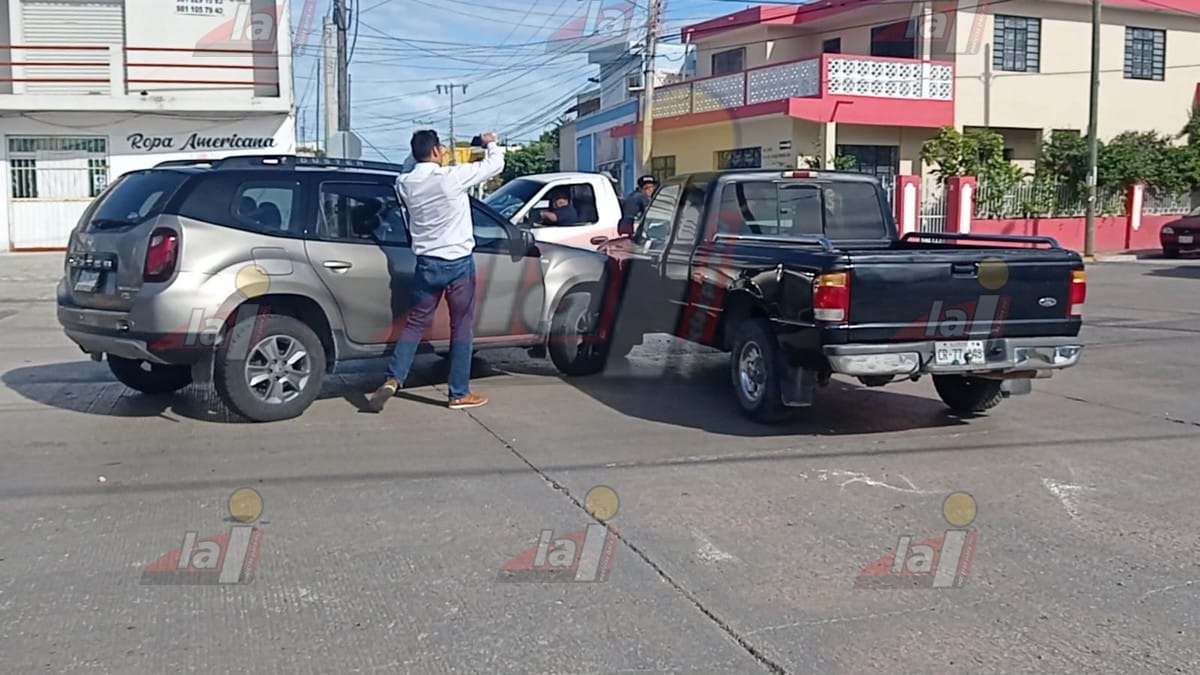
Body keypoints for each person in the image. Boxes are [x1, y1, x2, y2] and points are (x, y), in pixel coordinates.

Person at [367, 129, 506, 412]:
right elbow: (495, 165)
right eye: (440, 148)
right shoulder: (451, 177)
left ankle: (393, 378)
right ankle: (458, 393)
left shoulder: (404, 183)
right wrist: (490, 144)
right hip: (458, 264)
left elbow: (410, 164)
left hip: (426, 264)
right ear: (435, 151)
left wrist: (422, 151)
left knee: (414, 324)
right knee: (461, 327)